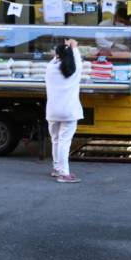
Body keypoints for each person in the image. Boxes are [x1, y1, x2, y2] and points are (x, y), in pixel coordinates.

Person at [45, 38, 83, 183]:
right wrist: (73, 47)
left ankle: (57, 169)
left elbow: (55, 60)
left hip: (53, 111)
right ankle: (64, 174)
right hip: (69, 111)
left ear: (57, 55)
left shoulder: (50, 68)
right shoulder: (75, 70)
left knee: (55, 140)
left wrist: (64, 49)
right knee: (64, 142)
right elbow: (77, 59)